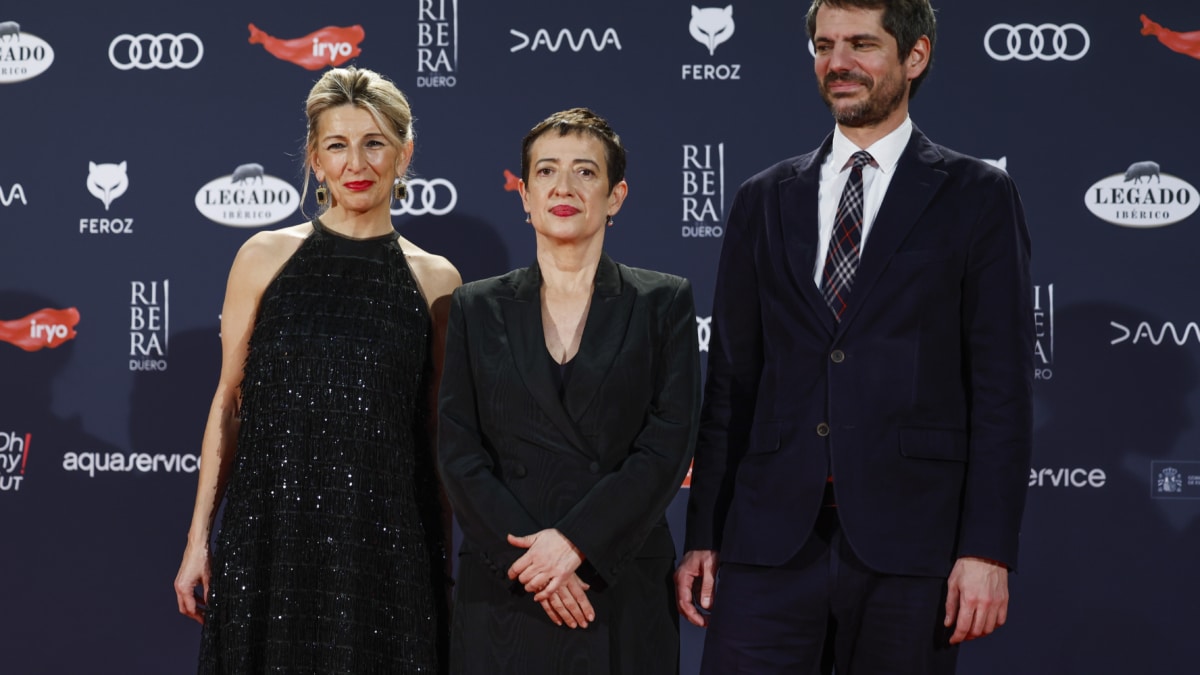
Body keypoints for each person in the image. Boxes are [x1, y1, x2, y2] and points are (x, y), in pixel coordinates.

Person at [674, 1, 1034, 673]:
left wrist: (986, 548)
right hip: (766, 541)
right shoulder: (761, 197)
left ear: (915, 56)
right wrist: (704, 534)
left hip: (911, 543)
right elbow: (731, 383)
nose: (838, 63)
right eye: (825, 44)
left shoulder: (977, 195)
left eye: (862, 44)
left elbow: (1001, 387)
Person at [173, 66, 461, 674]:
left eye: (375, 143)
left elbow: (438, 434)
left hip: (384, 544)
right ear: (315, 157)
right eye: (338, 144)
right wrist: (200, 538)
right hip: (270, 538)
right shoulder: (263, 257)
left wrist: (442, 561)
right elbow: (228, 403)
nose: (357, 162)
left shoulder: (436, 282)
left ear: (405, 153)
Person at [437, 107, 700, 674]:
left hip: (617, 577)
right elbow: (458, 451)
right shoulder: (475, 307)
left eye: (585, 172)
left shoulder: (663, 302)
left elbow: (667, 446)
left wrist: (575, 543)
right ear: (525, 196)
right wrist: (533, 559)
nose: (564, 187)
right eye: (546, 172)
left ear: (616, 196)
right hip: (508, 584)